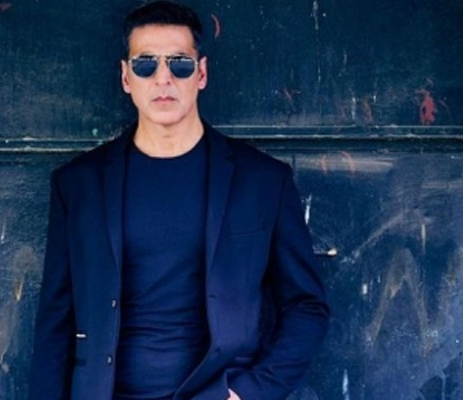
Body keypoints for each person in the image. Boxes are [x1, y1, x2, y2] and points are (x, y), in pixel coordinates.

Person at [29, 1, 329, 400]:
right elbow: (55, 321)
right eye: (145, 64)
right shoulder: (79, 185)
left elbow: (306, 306)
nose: (163, 78)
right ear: (125, 77)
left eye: (180, 64)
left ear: (201, 73)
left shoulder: (262, 181)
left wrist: (251, 392)